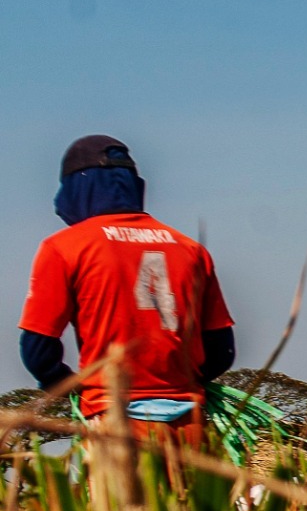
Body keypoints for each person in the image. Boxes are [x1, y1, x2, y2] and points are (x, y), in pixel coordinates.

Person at [17, 135, 235, 446]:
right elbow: (222, 350)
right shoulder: (190, 249)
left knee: (120, 498)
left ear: (76, 187)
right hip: (189, 423)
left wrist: (73, 388)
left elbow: (38, 350)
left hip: (112, 419)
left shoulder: (64, 247)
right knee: (188, 496)